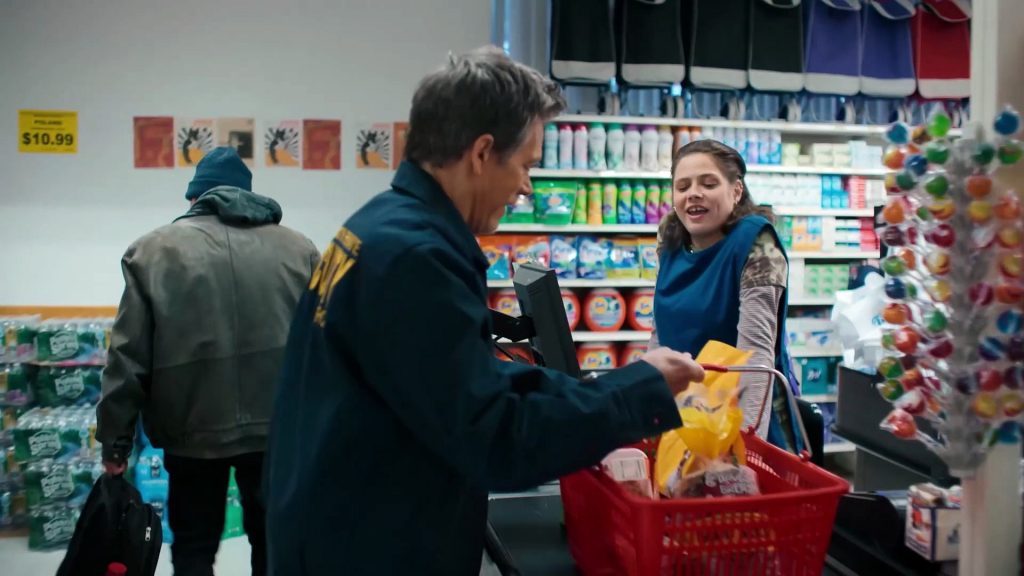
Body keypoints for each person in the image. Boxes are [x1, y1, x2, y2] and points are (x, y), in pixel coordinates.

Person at [264, 46, 706, 576]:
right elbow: (494, 436)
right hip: (370, 546)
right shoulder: (415, 257)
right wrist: (638, 393)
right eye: (525, 165)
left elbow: (460, 382)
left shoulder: (384, 225)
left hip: (342, 526)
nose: (526, 186)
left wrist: (605, 387)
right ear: (481, 153)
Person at [96, 146, 320, 576]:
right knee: (273, 544)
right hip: (275, 431)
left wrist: (115, 443)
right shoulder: (300, 251)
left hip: (190, 430)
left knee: (194, 547)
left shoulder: (151, 252)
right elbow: (323, 350)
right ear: (249, 194)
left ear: (194, 198)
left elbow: (127, 359)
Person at [649, 139, 802, 450]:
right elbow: (659, 336)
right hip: (685, 416)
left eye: (708, 183)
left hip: (741, 416)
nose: (693, 193)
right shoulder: (672, 242)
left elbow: (755, 356)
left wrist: (744, 446)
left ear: (736, 190)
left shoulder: (757, 242)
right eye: (683, 186)